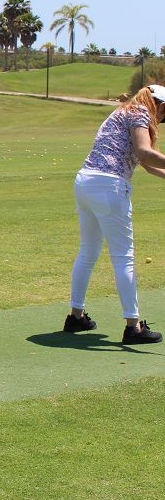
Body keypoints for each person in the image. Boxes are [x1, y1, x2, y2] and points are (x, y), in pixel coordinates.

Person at [65, 83, 165, 344]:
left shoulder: (122, 112)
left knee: (87, 252)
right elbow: (145, 152)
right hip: (109, 186)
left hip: (85, 182)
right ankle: (134, 327)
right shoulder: (142, 112)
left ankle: (75, 317)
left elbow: (144, 162)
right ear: (160, 106)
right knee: (124, 258)